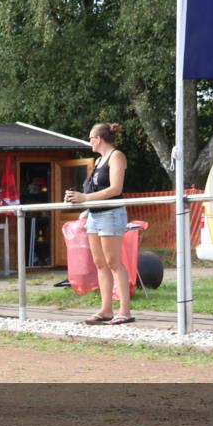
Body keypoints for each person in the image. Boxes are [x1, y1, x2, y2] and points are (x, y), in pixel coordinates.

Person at [65, 122, 134, 326]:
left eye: (91, 138)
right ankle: (106, 309)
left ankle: (125, 310)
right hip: (95, 215)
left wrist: (85, 198)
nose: (90, 142)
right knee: (100, 263)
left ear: (99, 138)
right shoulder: (98, 160)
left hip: (111, 214)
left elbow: (115, 188)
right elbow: (95, 189)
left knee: (114, 262)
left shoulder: (117, 156)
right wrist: (79, 198)